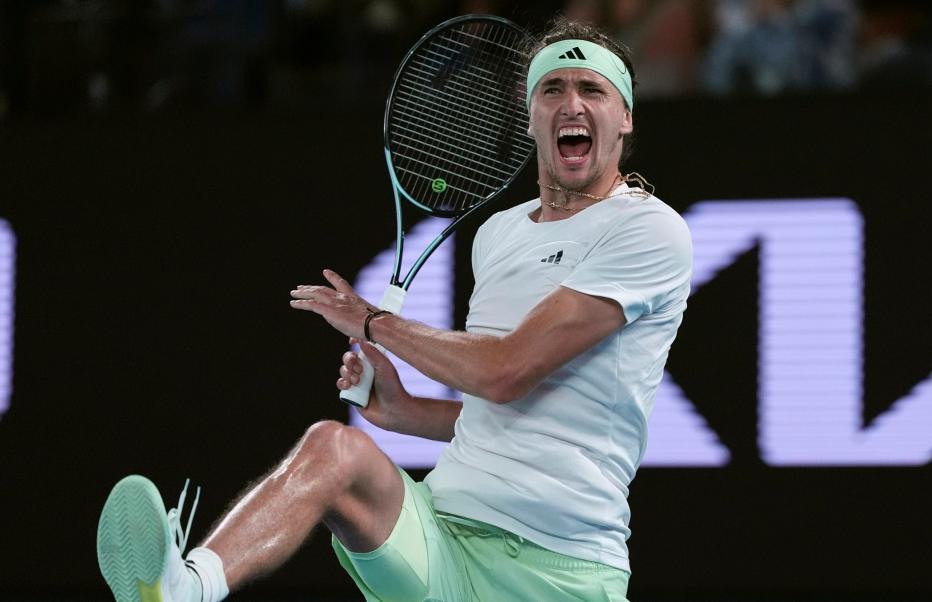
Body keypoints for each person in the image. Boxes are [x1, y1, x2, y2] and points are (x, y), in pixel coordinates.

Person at [96, 17, 692, 602]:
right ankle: (185, 588)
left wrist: (375, 322)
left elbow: (506, 372)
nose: (572, 103)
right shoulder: (498, 236)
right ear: (530, 116)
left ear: (625, 118)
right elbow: (498, 415)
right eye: (552, 89)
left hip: (559, 570)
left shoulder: (646, 229)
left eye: (593, 89)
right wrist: (405, 410)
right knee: (333, 449)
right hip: (445, 538)